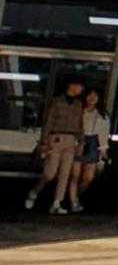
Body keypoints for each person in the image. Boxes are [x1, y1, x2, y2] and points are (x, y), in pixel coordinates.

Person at [24, 77, 86, 214]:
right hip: (56, 137)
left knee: (65, 174)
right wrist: (44, 142)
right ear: (71, 85)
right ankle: (34, 191)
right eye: (79, 86)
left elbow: (80, 125)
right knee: (50, 173)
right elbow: (48, 122)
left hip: (71, 140)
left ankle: (57, 203)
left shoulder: (78, 104)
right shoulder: (57, 102)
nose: (81, 89)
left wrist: (81, 141)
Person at [65, 88, 111, 213]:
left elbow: (104, 133)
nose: (92, 98)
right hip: (78, 142)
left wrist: (103, 151)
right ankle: (73, 201)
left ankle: (75, 195)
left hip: (93, 144)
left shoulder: (103, 115)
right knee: (74, 175)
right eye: (90, 95)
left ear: (99, 99)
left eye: (95, 96)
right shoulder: (78, 110)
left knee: (88, 177)